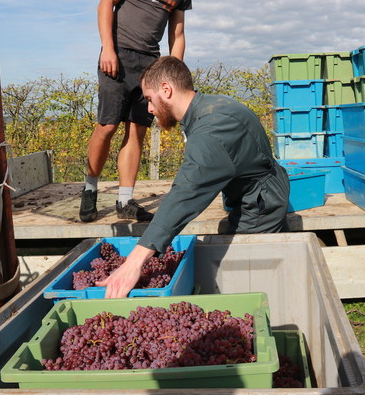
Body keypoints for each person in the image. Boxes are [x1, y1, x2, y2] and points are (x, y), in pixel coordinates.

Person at [99, 55, 290, 298]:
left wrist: (135, 261)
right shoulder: (206, 107)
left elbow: (186, 192)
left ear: (166, 89)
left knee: (249, 277)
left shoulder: (213, 128)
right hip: (254, 190)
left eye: (149, 98)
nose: (148, 108)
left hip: (260, 203)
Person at [79, 0, 196, 223]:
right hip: (116, 57)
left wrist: (173, 74)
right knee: (106, 126)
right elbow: (106, 3)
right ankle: (90, 188)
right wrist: (107, 47)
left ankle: (124, 200)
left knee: (137, 130)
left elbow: (178, 35)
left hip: (150, 66)